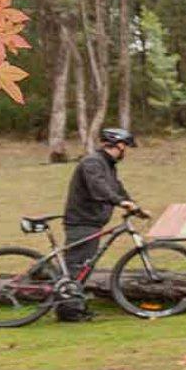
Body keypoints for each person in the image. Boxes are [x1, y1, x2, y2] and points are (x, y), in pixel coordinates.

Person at [58, 128, 145, 321]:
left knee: (84, 267)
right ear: (118, 145)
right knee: (77, 267)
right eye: (126, 147)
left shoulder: (107, 165)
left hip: (92, 222)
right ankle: (68, 312)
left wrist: (134, 207)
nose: (126, 151)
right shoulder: (92, 162)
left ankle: (75, 307)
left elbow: (116, 188)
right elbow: (99, 188)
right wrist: (121, 202)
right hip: (81, 222)